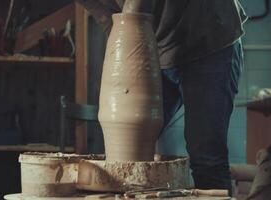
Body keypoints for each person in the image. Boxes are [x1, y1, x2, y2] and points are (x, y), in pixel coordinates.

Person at [75, 0, 247, 194]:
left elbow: (135, 9)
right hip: (155, 47)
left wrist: (132, 33)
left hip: (206, 35)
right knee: (124, 151)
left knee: (206, 155)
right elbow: (111, 20)